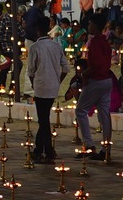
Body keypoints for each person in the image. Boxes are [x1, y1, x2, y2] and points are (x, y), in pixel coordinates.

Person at [23, 14, 68, 164]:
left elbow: (31, 71)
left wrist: (34, 83)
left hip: (41, 86)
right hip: (52, 86)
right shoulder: (56, 46)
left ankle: (47, 151)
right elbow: (66, 68)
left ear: (37, 30)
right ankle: (39, 149)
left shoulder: (35, 47)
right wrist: (57, 81)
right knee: (44, 118)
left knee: (43, 120)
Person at [74, 11, 115, 159]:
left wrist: (85, 74)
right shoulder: (104, 42)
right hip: (106, 80)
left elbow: (95, 65)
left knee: (80, 111)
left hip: (96, 80)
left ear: (96, 26)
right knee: (104, 115)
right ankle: (106, 148)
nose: (89, 26)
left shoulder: (95, 43)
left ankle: (89, 144)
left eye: (91, 24)